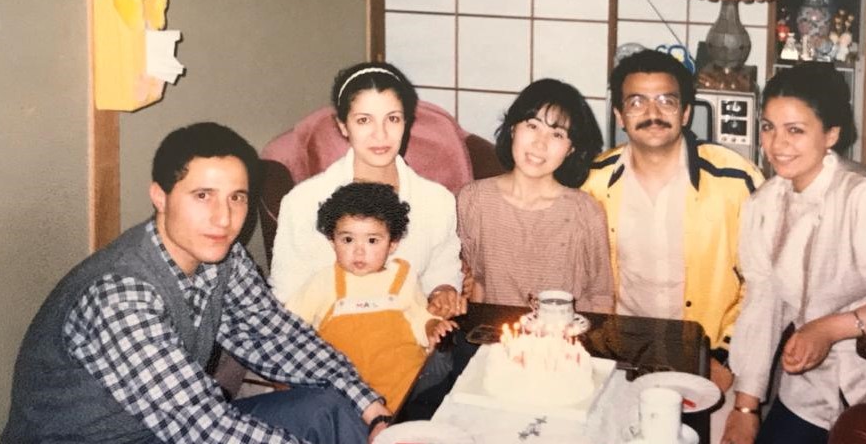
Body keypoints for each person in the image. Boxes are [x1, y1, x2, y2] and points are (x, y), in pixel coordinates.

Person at [3, 122, 391, 444]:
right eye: (203, 196)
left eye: (237, 198)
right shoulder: (120, 295)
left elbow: (276, 337)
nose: (223, 218)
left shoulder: (222, 256)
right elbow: (204, 429)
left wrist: (371, 408)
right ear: (161, 196)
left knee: (328, 408)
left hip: (163, 432)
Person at [722, 63, 866, 444]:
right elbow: (764, 304)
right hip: (806, 390)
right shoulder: (764, 204)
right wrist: (746, 406)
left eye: (795, 130)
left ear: (831, 134)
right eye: (769, 126)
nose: (776, 144)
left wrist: (828, 328)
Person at [581, 49, 763, 429]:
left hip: (711, 361)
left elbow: (763, 284)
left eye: (666, 100)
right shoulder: (593, 182)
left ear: (685, 112)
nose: (653, 112)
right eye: (637, 101)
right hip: (623, 359)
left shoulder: (735, 179)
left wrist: (727, 358)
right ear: (619, 115)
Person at [271, 62, 464, 318]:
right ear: (342, 126)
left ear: (406, 122)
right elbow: (287, 297)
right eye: (364, 120)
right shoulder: (303, 202)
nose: (380, 135)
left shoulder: (437, 200)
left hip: (412, 341)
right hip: (324, 346)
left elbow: (442, 271)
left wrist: (444, 291)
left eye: (392, 119)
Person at [287, 182, 456, 411]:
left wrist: (432, 328)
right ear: (332, 241)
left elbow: (419, 318)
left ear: (393, 243)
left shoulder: (403, 277)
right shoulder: (323, 282)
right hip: (350, 394)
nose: (359, 250)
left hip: (405, 384)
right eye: (347, 239)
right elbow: (288, 329)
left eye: (372, 240)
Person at [458, 78, 613, 312]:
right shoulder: (473, 200)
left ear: (571, 149)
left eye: (557, 134)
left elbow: (601, 296)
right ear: (513, 128)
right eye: (532, 126)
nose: (540, 144)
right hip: (491, 340)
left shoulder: (585, 211)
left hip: (563, 341)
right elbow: (464, 279)